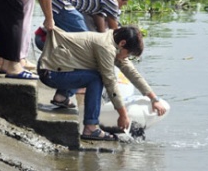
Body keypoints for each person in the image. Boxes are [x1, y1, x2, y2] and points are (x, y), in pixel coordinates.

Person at [38, 26, 167, 141]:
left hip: (55, 68)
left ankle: (61, 97)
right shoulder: (106, 47)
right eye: (128, 54)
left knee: (92, 70)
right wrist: (123, 115)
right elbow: (110, 82)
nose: (126, 58)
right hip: (50, 73)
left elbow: (133, 74)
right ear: (122, 43)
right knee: (97, 78)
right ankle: (91, 127)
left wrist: (153, 99)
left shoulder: (113, 41)